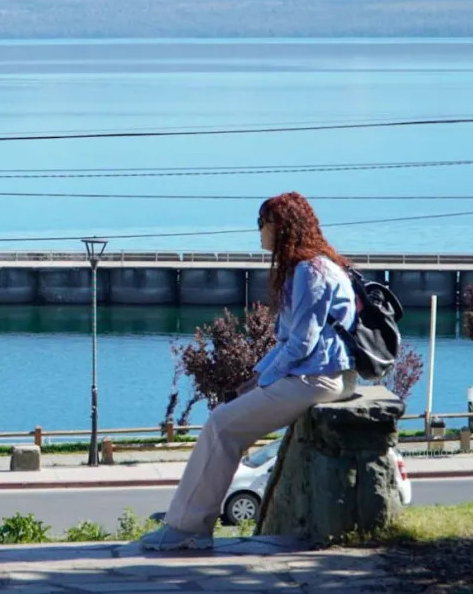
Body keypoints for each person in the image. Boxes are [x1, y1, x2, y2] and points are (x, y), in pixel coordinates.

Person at [140, 191, 359, 551]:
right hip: (318, 375)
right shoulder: (317, 266)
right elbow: (290, 343)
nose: (259, 231)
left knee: (221, 426)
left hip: (315, 379)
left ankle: (187, 528)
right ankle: (186, 524)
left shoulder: (309, 271)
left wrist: (266, 382)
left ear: (282, 226)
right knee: (223, 422)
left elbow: (302, 344)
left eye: (263, 223)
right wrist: (258, 378)